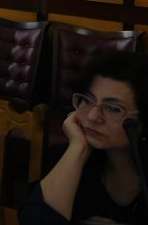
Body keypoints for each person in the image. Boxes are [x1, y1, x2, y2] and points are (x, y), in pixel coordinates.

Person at [20, 51, 148, 224]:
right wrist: (78, 148)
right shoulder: (68, 157)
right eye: (87, 100)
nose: (92, 117)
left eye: (113, 108)